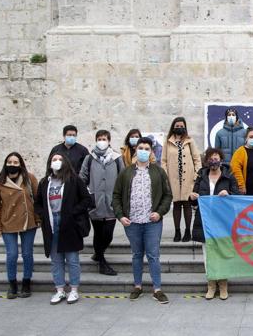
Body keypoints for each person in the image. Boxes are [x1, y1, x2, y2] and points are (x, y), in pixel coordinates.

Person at [113, 137, 173, 304]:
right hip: (132, 222)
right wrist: (120, 215)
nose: (143, 151)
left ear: (151, 152)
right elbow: (116, 196)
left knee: (153, 255)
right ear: (136, 150)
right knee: (137, 255)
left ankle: (157, 289)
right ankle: (137, 286)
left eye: (147, 148)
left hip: (152, 222)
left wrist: (160, 213)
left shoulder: (158, 171)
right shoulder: (126, 172)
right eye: (141, 148)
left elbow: (168, 195)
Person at [35, 153, 92, 305]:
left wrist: (73, 212)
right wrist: (44, 216)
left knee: (72, 260)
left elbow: (86, 199)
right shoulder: (44, 182)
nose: (57, 162)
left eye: (60, 159)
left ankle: (74, 290)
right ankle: (59, 290)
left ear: (65, 162)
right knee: (56, 260)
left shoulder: (74, 180)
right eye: (54, 159)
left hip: (69, 224)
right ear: (49, 163)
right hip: (52, 224)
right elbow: (38, 203)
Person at [0, 152, 41, 299]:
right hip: (8, 223)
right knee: (11, 254)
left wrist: (38, 219)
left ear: (20, 164)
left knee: (27, 254)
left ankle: (26, 282)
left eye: (15, 162)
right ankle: (12, 284)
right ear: (6, 163)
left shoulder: (29, 178)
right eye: (10, 162)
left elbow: (37, 200)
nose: (12, 165)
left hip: (28, 221)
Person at [191, 148, 240, 300]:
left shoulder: (229, 175)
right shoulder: (201, 175)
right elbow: (194, 196)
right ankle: (211, 285)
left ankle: (223, 284)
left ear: (221, 159)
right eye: (211, 158)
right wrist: (192, 197)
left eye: (216, 157)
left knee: (222, 253)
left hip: (222, 221)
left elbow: (237, 196)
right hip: (205, 220)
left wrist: (229, 194)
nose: (214, 160)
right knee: (208, 255)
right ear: (207, 161)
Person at [79, 130, 125, 276]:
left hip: (112, 203)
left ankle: (98, 253)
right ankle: (102, 263)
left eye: (104, 138)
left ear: (109, 140)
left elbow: (123, 178)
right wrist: (87, 194)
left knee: (108, 234)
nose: (101, 141)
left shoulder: (117, 158)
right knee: (98, 233)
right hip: (95, 203)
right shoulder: (89, 158)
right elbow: (82, 177)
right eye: (99, 138)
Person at [162, 117, 201, 242]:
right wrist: (165, 176)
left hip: (188, 178)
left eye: (181, 126)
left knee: (187, 204)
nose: (179, 128)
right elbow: (163, 161)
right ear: (173, 127)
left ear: (185, 127)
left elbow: (197, 160)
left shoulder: (190, 141)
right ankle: (177, 231)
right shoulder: (167, 142)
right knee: (177, 204)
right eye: (177, 126)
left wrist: (196, 176)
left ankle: (187, 231)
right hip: (173, 178)